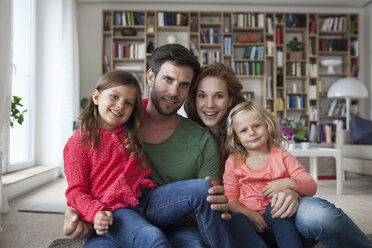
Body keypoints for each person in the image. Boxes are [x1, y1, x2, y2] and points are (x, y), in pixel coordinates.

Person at [185, 63, 372, 248]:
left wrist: (291, 189)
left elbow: (304, 182)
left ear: (230, 99)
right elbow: (227, 199)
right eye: (202, 95)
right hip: (242, 223)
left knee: (318, 215)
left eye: (219, 95)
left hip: (281, 215)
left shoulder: (272, 149)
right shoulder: (195, 139)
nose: (209, 104)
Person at [63, 44, 232, 248]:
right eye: (168, 79)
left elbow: (208, 202)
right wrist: (83, 213)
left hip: (166, 214)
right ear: (151, 77)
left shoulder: (202, 140)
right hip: (115, 216)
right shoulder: (121, 118)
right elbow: (78, 187)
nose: (173, 92)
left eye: (184, 85)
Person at [224, 100, 317, 247]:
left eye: (256, 126)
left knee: (277, 207)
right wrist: (250, 214)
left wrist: (289, 183)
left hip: (281, 225)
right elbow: (230, 200)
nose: (252, 133)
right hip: (249, 227)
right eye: (244, 130)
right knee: (236, 220)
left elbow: (311, 186)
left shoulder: (281, 155)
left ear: (267, 125)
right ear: (236, 138)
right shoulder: (233, 162)